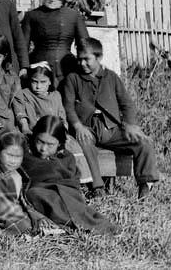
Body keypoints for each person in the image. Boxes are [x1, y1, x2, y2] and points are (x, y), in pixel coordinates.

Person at [62, 38, 159, 199]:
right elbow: (68, 106)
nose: (82, 63)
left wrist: (130, 124)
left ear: (99, 58)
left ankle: (145, 186)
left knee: (143, 142)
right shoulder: (73, 79)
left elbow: (127, 103)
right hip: (88, 129)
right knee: (85, 144)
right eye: (79, 59)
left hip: (112, 129)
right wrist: (77, 126)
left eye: (87, 59)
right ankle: (97, 187)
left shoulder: (111, 77)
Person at [21, 116, 120, 234]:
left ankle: (75, 224)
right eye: (40, 141)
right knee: (37, 194)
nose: (43, 148)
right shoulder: (26, 153)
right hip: (38, 191)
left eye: (50, 144)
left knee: (74, 207)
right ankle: (67, 224)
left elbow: (72, 181)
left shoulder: (66, 157)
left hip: (66, 194)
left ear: (59, 144)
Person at [0, 132, 53, 236]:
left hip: (15, 210)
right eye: (9, 155)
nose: (13, 161)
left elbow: (23, 201)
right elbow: (3, 208)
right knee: (24, 225)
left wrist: (36, 215)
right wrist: (31, 221)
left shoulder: (19, 173)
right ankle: (33, 227)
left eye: (18, 156)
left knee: (44, 219)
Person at [21, 0, 89, 82]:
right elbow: (23, 46)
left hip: (67, 69)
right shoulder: (32, 16)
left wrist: (85, 66)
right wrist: (24, 67)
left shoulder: (73, 16)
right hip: (39, 70)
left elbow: (85, 44)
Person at [13, 61, 66, 135]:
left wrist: (63, 131)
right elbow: (20, 112)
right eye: (34, 82)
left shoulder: (56, 96)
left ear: (50, 81)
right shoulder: (24, 94)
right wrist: (25, 128)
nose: (38, 86)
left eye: (43, 82)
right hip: (32, 132)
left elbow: (62, 116)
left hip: (54, 132)